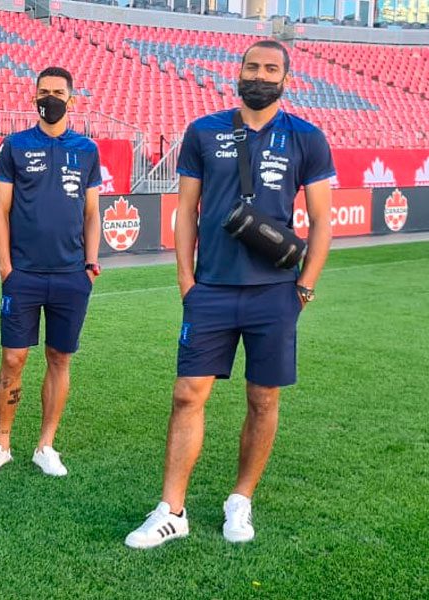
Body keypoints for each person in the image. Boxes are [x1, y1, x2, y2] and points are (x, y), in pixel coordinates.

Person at [125, 40, 333, 549]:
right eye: (251, 67)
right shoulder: (204, 131)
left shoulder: (307, 137)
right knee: (186, 395)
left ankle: (240, 499)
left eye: (270, 69)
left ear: (286, 79)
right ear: (236, 73)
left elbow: (324, 221)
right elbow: (186, 211)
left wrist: (304, 286)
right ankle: (172, 509)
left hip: (274, 294)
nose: (258, 76)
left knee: (263, 400)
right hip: (212, 289)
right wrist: (184, 279)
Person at [0, 66, 101, 477]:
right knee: (14, 358)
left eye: (58, 92)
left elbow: (93, 212)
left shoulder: (86, 150)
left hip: (70, 275)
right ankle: (2, 441)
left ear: (71, 99)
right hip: (23, 274)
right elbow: (0, 211)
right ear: (34, 98)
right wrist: (5, 267)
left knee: (59, 358)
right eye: (43, 92)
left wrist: (90, 264)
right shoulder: (14, 146)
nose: (50, 98)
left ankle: (46, 445)